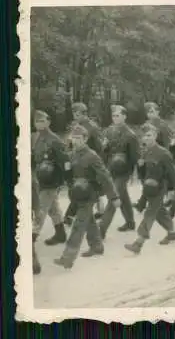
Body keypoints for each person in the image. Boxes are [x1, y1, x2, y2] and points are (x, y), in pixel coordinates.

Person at [54, 125, 119, 269]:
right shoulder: (71, 154)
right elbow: (69, 177)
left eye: (79, 138)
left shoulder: (92, 156)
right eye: (74, 138)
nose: (76, 141)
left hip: (89, 194)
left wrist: (113, 196)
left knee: (78, 225)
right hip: (78, 194)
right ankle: (97, 246)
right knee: (89, 221)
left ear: (85, 139)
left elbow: (105, 176)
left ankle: (67, 257)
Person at [124, 123, 175, 254]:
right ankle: (172, 232)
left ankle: (139, 242)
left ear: (155, 135)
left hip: (160, 187)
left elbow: (173, 173)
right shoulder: (145, 152)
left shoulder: (163, 153)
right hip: (148, 188)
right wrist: (140, 166)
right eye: (144, 136)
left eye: (149, 135)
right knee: (160, 212)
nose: (146, 138)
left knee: (149, 213)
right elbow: (143, 174)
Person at [99, 105, 140, 238]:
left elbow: (134, 156)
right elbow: (104, 152)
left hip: (124, 171)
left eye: (118, 115)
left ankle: (101, 229)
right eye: (114, 116)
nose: (115, 118)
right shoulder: (108, 131)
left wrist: (133, 173)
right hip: (111, 168)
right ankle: (130, 222)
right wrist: (104, 148)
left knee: (114, 196)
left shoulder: (130, 135)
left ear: (124, 116)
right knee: (123, 196)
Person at [31, 110, 70, 246]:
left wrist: (65, 180)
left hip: (51, 180)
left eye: (42, 121)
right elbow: (34, 158)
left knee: (41, 208)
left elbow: (65, 160)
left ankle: (31, 237)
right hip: (41, 178)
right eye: (37, 121)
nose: (39, 124)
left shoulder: (54, 140)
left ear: (48, 122)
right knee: (53, 209)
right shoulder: (36, 138)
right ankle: (60, 234)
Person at [64, 102, 105, 225]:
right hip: (77, 160)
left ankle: (70, 216)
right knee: (87, 188)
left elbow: (100, 146)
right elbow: (70, 144)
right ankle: (100, 210)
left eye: (77, 114)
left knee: (84, 187)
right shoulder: (76, 126)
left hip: (90, 160)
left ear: (84, 113)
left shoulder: (92, 127)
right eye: (74, 114)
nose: (75, 116)